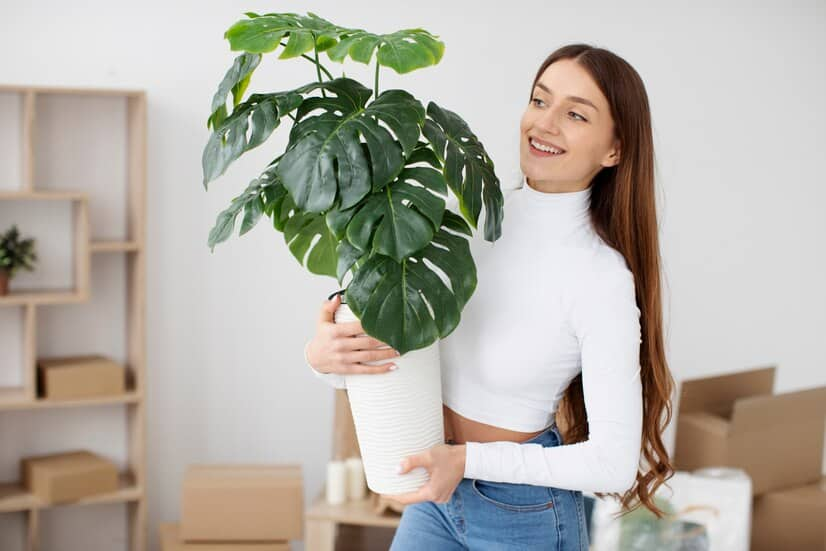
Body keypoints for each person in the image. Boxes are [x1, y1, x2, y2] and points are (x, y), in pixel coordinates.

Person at [304, 43, 676, 550]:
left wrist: (467, 461)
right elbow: (405, 348)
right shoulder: (472, 223)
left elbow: (612, 464)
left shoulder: (600, 277)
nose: (545, 124)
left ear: (615, 149)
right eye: (540, 101)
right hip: (438, 494)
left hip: (522, 515)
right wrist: (325, 360)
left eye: (575, 114)